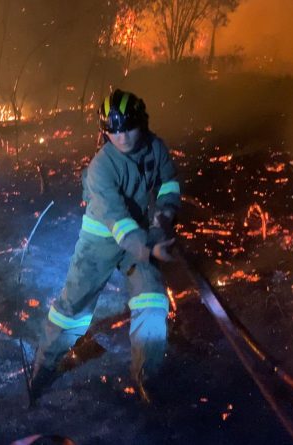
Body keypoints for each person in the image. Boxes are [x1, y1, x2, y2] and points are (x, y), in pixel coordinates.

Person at [30, 89, 181, 404]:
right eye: (113, 130)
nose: (121, 136)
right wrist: (150, 249)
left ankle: (148, 378)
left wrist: (166, 213)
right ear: (104, 131)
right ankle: (44, 368)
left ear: (142, 123)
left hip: (138, 237)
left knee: (152, 299)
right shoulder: (101, 167)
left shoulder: (156, 148)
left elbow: (169, 182)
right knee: (71, 310)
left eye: (128, 128)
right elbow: (117, 220)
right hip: (100, 241)